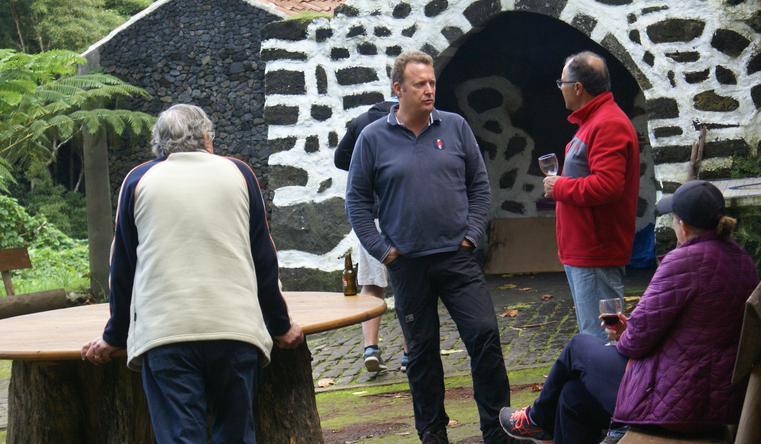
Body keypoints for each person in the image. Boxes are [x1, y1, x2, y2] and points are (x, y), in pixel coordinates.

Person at [81, 104, 304, 444]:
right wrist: (280, 325)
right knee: (235, 436)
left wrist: (115, 336)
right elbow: (263, 259)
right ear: (206, 137)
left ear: (160, 144)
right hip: (234, 330)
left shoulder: (138, 181)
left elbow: (123, 268)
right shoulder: (239, 173)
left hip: (166, 333)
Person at [499, 180, 758, 444]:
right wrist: (629, 330)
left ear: (683, 226)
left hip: (680, 401)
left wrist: (626, 332)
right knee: (572, 395)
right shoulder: (741, 260)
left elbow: (635, 343)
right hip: (715, 397)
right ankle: (538, 421)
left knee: (578, 347)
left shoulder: (684, 261)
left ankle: (535, 419)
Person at [346, 50, 511, 444]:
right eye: (420, 84)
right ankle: (433, 433)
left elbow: (479, 186)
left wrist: (472, 235)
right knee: (421, 354)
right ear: (397, 89)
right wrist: (382, 250)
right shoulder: (372, 138)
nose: (429, 90)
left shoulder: (455, 127)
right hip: (407, 264)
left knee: (485, 336)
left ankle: (497, 430)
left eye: (432, 83)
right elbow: (356, 201)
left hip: (457, 257)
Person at [543, 51, 640, 341]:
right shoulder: (594, 121)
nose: (559, 88)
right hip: (586, 251)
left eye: (561, 82)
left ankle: (610, 388)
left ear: (577, 87)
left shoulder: (607, 123)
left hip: (596, 253)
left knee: (602, 341)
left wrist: (558, 187)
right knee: (597, 337)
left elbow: (608, 186)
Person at [335, 95, 409, 372]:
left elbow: (340, 158)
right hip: (402, 214)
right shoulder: (409, 119)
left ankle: (370, 348)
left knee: (371, 284)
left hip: (371, 218)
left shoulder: (360, 122)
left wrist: (363, 169)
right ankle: (408, 353)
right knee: (410, 286)